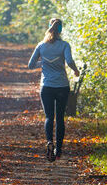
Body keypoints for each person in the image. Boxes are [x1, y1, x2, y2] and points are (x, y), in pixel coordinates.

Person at [28, 17, 80, 162]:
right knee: (60, 118)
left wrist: (43, 63)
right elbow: (69, 61)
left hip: (46, 86)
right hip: (62, 86)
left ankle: (49, 141)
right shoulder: (64, 45)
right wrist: (75, 70)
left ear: (49, 27)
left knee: (49, 117)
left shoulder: (41, 46)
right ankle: (58, 150)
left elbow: (31, 65)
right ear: (60, 30)